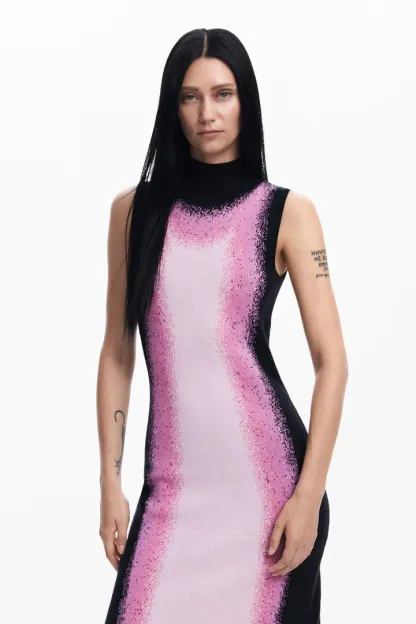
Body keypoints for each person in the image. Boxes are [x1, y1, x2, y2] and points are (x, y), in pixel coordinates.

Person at [97, 27, 348, 624]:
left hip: (271, 496)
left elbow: (332, 363)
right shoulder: (134, 213)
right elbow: (117, 355)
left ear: (245, 102)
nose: (206, 113)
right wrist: (109, 482)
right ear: (172, 106)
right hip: (172, 493)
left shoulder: (287, 213)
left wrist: (308, 496)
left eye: (222, 94)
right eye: (190, 97)